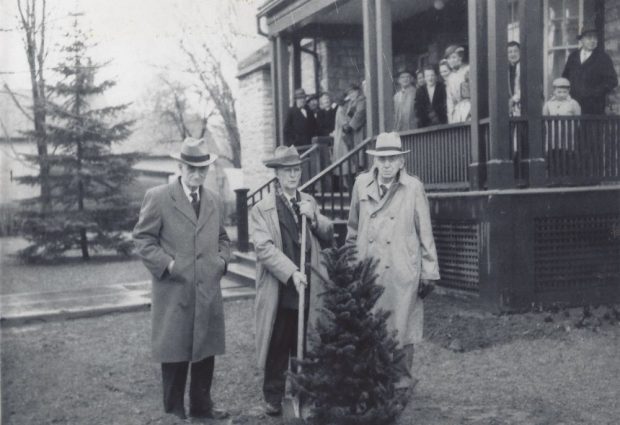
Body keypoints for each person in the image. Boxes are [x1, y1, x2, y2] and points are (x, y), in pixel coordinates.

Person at [133, 137, 231, 421]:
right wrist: (169, 265)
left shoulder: (212, 200)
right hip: (174, 291)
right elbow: (143, 239)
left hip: (207, 292)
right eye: (191, 168)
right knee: (175, 353)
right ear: (180, 166)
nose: (197, 174)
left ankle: (202, 407)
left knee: (205, 350)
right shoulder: (159, 197)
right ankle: (174, 412)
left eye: (203, 169)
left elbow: (223, 238)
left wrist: (222, 262)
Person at [346, 132, 440, 389]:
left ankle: (402, 381)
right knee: (371, 324)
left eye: (392, 159)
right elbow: (353, 228)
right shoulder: (361, 185)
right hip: (370, 268)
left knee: (403, 326)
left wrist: (429, 271)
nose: (387, 164)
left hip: (402, 269)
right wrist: (350, 263)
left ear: (401, 161)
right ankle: (374, 381)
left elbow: (425, 233)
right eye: (382, 159)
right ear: (375, 161)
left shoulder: (413, 188)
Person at [250, 145, 333, 416]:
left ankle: (302, 393)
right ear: (277, 174)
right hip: (281, 285)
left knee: (305, 341)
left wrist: (316, 218)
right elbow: (264, 249)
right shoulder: (262, 208)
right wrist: (291, 272)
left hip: (308, 283)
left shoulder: (308, 201)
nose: (293, 176)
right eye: (287, 171)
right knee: (279, 341)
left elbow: (328, 235)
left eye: (296, 170)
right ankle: (273, 396)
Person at [561, 26, 618, 115]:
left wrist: (594, 93)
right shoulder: (573, 57)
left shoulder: (603, 58)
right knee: (573, 128)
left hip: (594, 107)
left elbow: (612, 81)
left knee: (591, 128)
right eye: (589, 37)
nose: (593, 40)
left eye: (595, 37)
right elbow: (565, 78)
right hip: (572, 107)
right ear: (582, 39)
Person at [445, 45, 469, 123]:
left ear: (460, 58)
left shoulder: (468, 70)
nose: (451, 61)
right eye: (448, 58)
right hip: (457, 113)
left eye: (454, 57)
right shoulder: (450, 77)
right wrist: (451, 119)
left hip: (469, 110)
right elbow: (450, 100)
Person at [343, 83, 366, 149]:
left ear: (358, 91)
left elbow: (359, 114)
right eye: (349, 94)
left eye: (352, 92)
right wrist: (346, 125)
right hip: (353, 131)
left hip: (360, 129)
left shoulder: (362, 100)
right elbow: (347, 115)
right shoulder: (350, 103)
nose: (351, 95)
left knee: (360, 147)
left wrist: (350, 126)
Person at [507, 41, 521, 117]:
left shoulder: (523, 67)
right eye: (510, 52)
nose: (513, 54)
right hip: (509, 106)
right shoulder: (506, 69)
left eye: (515, 51)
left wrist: (514, 99)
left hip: (521, 103)